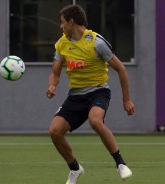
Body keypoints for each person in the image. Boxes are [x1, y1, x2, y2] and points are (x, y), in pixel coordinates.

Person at [46, 5, 135, 184]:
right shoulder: (62, 43)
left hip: (98, 91)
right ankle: (75, 169)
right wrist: (52, 85)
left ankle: (120, 164)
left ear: (71, 22)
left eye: (62, 23)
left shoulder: (97, 43)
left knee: (95, 120)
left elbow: (121, 69)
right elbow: (55, 71)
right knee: (54, 131)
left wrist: (127, 100)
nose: (60, 26)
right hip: (75, 96)